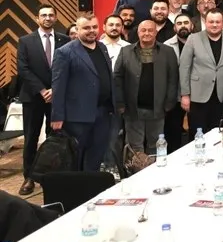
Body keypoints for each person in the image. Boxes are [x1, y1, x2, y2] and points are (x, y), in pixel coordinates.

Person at [51, 13, 119, 171]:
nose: (91, 31)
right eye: (86, 28)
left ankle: (91, 183)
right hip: (78, 117)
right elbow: (58, 86)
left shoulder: (102, 47)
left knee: (97, 155)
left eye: (94, 27)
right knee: (77, 159)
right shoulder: (64, 52)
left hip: (103, 112)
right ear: (77, 29)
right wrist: (57, 116)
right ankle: (77, 186)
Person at [16, 4, 70, 196]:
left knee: (54, 138)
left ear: (55, 17)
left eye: (51, 15)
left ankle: (50, 176)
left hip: (57, 96)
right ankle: (29, 178)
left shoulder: (65, 40)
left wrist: (55, 89)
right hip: (33, 97)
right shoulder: (25, 41)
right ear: (37, 18)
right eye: (43, 15)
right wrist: (42, 90)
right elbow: (23, 69)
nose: (47, 18)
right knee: (31, 138)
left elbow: (67, 67)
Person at [114, 20, 179, 154]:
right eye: (143, 30)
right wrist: (120, 102)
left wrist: (169, 102)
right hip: (132, 108)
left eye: (150, 30)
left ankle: (154, 167)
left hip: (158, 107)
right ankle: (135, 168)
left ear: (156, 32)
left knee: (156, 145)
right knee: (133, 146)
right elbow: (117, 78)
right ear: (138, 32)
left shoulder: (168, 51)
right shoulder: (126, 51)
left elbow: (173, 79)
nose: (147, 33)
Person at [179, 9, 223, 133]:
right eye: (211, 22)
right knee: (197, 134)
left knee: (217, 134)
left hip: (221, 97)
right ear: (205, 22)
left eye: (218, 22)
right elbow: (184, 67)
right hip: (197, 96)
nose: (214, 25)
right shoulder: (193, 39)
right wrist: (185, 95)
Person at [163, 14, 193, 152]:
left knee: (195, 133)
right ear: (174, 27)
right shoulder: (166, 45)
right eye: (179, 23)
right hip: (174, 96)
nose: (183, 26)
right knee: (173, 133)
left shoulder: (200, 42)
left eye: (186, 22)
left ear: (192, 25)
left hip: (196, 94)